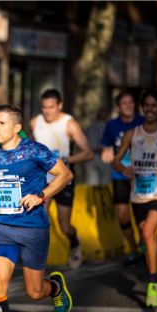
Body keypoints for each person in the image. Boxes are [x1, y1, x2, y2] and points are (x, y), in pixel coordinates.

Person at [0, 105, 73, 312]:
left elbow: (65, 175)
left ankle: (54, 287)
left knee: (34, 292)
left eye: (2, 123)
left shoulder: (35, 150)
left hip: (32, 228)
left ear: (17, 127)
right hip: (4, 229)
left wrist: (40, 196)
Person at [112, 89, 157, 307]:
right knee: (149, 238)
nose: (150, 109)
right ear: (143, 108)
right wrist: (124, 169)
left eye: (155, 106)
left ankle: (152, 287)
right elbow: (116, 160)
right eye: (147, 105)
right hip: (139, 194)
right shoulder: (131, 134)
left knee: (146, 232)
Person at [31, 89, 94, 269]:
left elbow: (88, 153)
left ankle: (74, 242)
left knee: (64, 226)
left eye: (51, 107)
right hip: (42, 179)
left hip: (63, 178)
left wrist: (64, 160)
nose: (48, 111)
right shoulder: (36, 122)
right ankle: (36, 258)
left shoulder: (70, 124)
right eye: (44, 107)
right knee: (38, 216)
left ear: (60, 105)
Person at [101, 90, 145, 265]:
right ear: (118, 107)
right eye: (124, 103)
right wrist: (105, 151)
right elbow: (105, 146)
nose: (128, 105)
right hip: (119, 175)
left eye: (131, 102)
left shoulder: (142, 122)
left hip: (141, 175)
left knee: (142, 214)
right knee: (123, 215)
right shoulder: (112, 125)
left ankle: (144, 243)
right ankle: (134, 250)